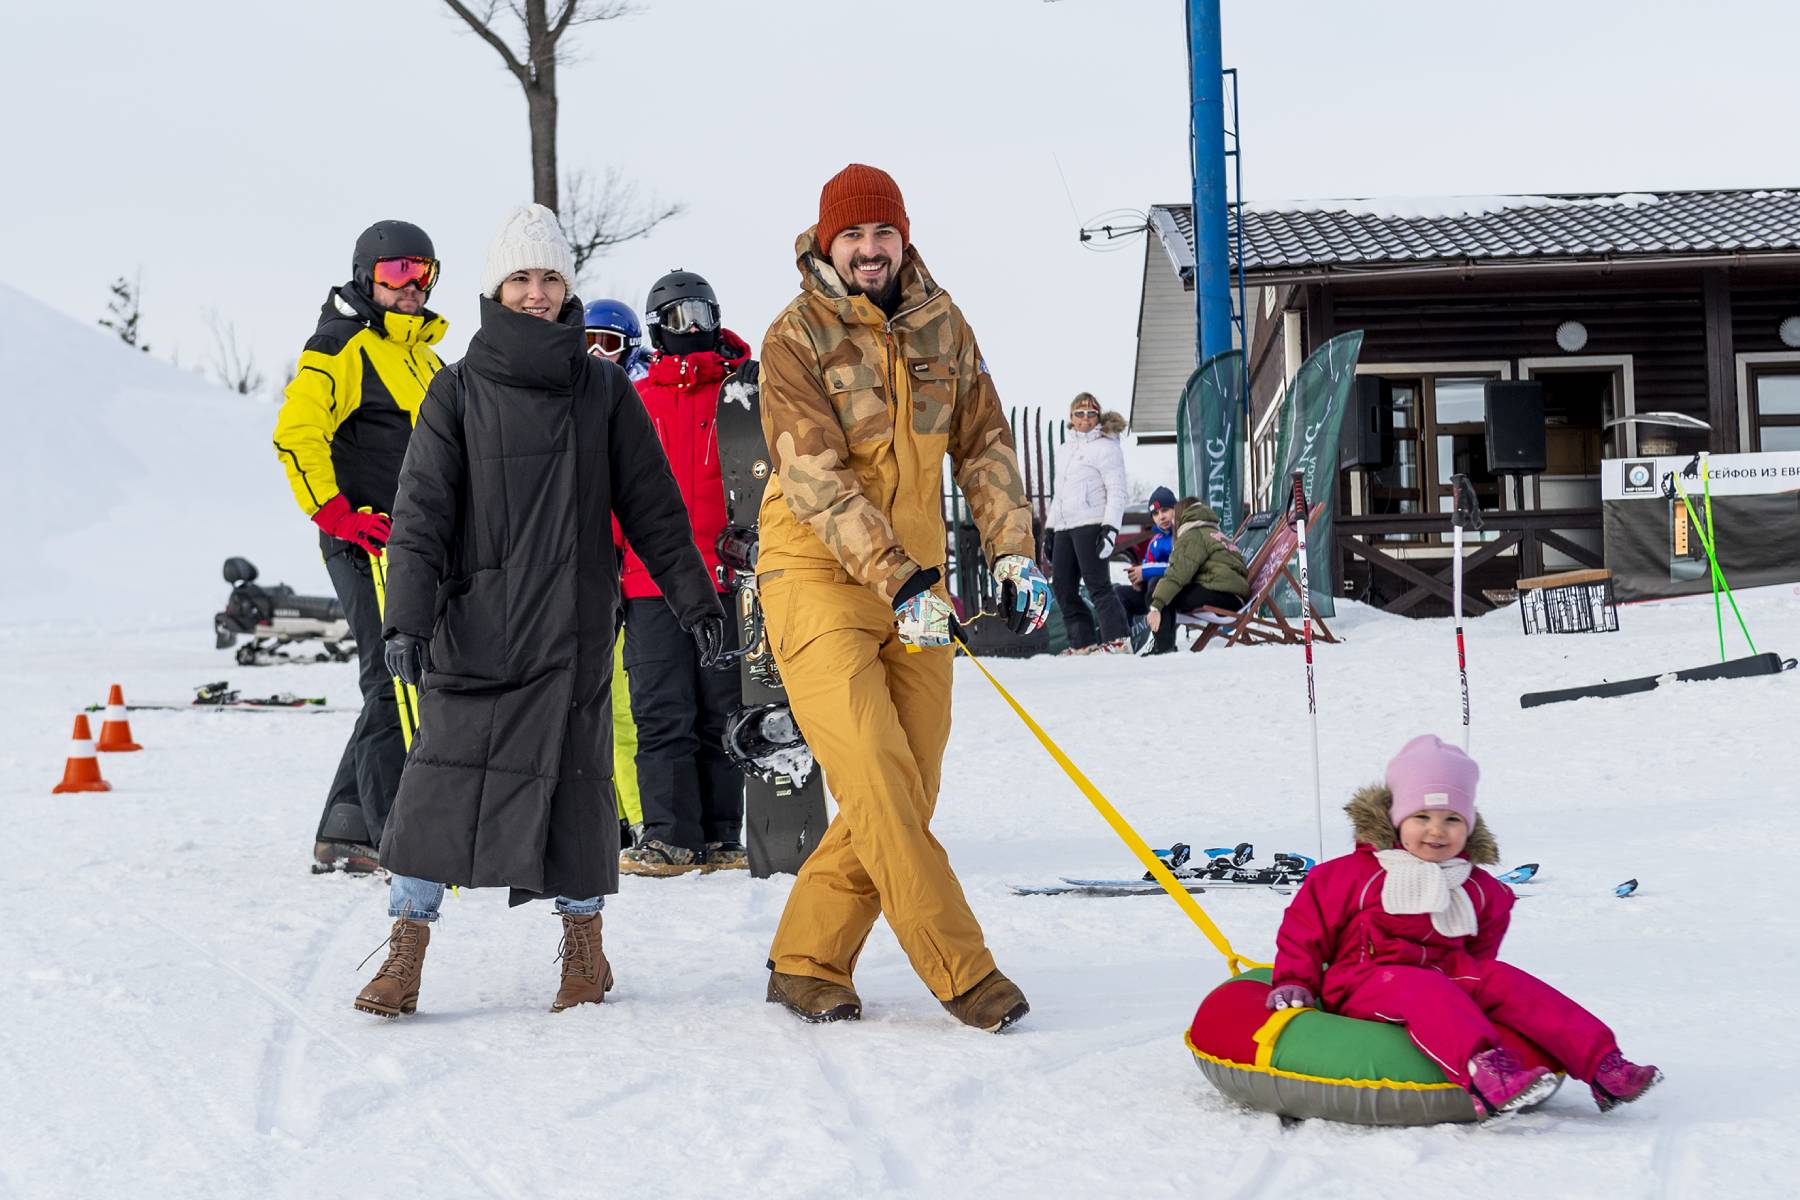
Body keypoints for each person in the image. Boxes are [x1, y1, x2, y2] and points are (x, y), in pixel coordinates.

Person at [354, 205, 726, 1017]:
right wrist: (406, 621)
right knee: (438, 789)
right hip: (477, 626)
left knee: (578, 788)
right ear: (496, 289)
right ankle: (405, 952)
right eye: (520, 278)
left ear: (568, 291)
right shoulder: (456, 390)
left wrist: (694, 599)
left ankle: (585, 952)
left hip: (573, 627)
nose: (534, 292)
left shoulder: (600, 389)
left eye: (549, 278)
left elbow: (653, 506)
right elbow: (421, 515)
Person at [756, 163, 1050, 1032]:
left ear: (903, 236)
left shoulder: (942, 324)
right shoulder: (794, 337)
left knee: (908, 787)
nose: (870, 249)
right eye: (853, 235)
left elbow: (987, 439)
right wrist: (900, 578)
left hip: (917, 583)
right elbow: (815, 478)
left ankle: (807, 960)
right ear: (826, 242)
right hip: (815, 575)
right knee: (879, 781)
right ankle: (966, 972)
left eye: (882, 232)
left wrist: (1012, 552)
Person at [1268, 735, 1663, 1121]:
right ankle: (1486, 1073)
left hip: (1448, 971)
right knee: (1425, 987)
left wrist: (1482, 984)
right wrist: (1294, 980)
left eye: (1452, 820)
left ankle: (1603, 1066)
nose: (1436, 831)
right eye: (1421, 817)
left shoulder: (1478, 887)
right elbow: (1304, 930)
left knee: (1506, 980)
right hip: (1364, 979)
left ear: (1469, 826)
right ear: (1395, 818)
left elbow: (1484, 941)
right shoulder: (1351, 876)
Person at [272, 220, 448, 874]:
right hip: (366, 540)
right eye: (400, 272)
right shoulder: (340, 344)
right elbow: (296, 433)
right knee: (390, 682)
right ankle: (387, 835)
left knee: (404, 679)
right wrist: (340, 515)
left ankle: (344, 826)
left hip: (419, 547)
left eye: (425, 272)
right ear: (367, 274)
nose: (414, 286)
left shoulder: (424, 358)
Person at [615, 270, 752, 877]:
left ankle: (723, 836)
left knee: (723, 710)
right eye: (676, 319)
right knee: (661, 709)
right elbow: (616, 493)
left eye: (700, 314)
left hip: (726, 580)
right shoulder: (639, 403)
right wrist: (613, 565)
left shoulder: (744, 399)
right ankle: (670, 837)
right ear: (656, 331)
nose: (691, 329)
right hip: (652, 585)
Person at [1042, 394, 1129, 654]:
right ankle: (1082, 643)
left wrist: (1110, 528)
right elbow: (1059, 493)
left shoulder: (1107, 447)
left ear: (1098, 417)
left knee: (1097, 584)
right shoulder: (1065, 450)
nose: (1085, 419)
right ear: (1071, 418)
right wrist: (1050, 529)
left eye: (1091, 414)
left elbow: (1117, 491)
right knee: (1063, 587)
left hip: (1092, 522)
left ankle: (1118, 640)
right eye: (1079, 414)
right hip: (1065, 526)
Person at [1143, 500, 1250, 655]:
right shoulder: (1215, 534)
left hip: (1220, 596)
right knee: (1166, 589)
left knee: (1158, 590)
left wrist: (1156, 605)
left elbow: (1177, 573)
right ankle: (1163, 645)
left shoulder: (1193, 535)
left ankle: (1163, 648)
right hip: (1234, 597)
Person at [1113, 485, 1178, 629]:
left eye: (1165, 510)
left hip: (1180, 592)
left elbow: (1180, 569)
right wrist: (1138, 579)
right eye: (1155, 513)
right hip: (1153, 596)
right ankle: (1123, 643)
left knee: (1156, 582)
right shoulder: (1154, 541)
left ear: (1176, 510)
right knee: (1118, 594)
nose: (1161, 517)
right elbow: (1147, 565)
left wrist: (1146, 571)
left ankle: (1163, 646)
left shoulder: (1183, 534)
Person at [583, 297, 652, 381]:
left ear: (627, 351)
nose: (596, 353)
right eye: (587, 343)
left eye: (609, 344)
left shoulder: (647, 392)